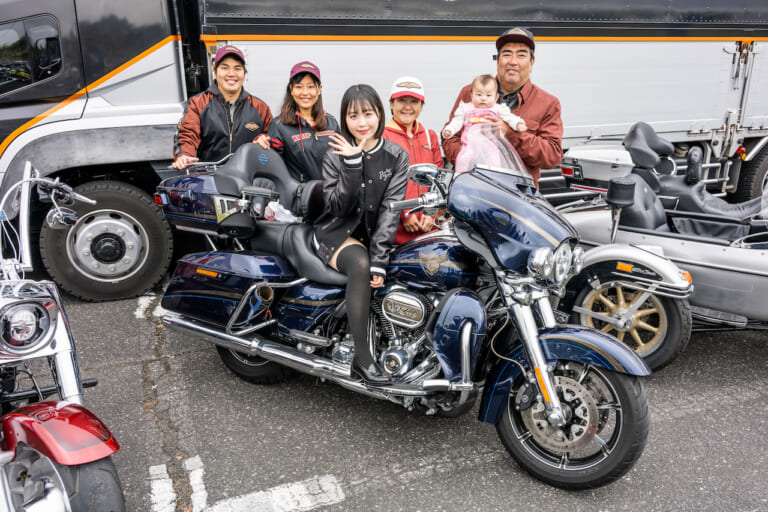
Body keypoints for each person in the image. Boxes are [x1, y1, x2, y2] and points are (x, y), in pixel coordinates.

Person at [313, 84, 408, 383]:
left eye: (368, 113)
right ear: (344, 119)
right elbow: (337, 208)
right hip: (335, 232)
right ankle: (363, 361)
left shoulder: (396, 156)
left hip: (372, 235)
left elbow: (390, 210)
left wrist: (381, 257)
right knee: (361, 263)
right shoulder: (334, 155)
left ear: (380, 113)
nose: (361, 122)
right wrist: (352, 165)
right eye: (353, 116)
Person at [441, 27, 563, 186]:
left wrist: (511, 133)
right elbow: (449, 138)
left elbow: (552, 155)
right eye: (507, 54)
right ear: (498, 60)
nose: (513, 61)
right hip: (473, 187)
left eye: (521, 55)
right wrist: (469, 155)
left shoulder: (548, 103)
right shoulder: (469, 92)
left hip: (518, 192)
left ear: (532, 62)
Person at [172, 45, 273, 170]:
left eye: (237, 68)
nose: (231, 74)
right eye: (225, 68)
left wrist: (264, 140)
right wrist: (184, 155)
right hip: (209, 176)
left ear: (244, 74)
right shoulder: (198, 103)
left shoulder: (260, 107)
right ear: (214, 72)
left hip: (248, 177)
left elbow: (274, 139)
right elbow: (187, 134)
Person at [382, 76, 442, 244]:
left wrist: (431, 213)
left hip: (429, 231)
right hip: (395, 234)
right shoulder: (382, 137)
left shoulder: (430, 137)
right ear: (391, 103)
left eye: (414, 102)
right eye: (402, 100)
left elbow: (439, 181)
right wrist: (405, 214)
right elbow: (381, 184)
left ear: (421, 105)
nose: (408, 107)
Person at [268, 61, 340, 182]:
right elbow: (272, 169)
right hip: (298, 193)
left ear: (319, 89)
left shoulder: (332, 123)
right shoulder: (278, 126)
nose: (305, 93)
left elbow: (339, 162)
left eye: (310, 86)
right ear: (291, 89)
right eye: (299, 87)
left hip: (329, 192)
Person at [442, 74, 527, 174]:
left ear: (496, 97)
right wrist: (449, 130)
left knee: (495, 162)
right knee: (462, 159)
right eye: (479, 95)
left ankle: (494, 178)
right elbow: (456, 121)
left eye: (488, 95)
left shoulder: (498, 109)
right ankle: (459, 175)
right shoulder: (466, 108)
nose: (483, 98)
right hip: (470, 145)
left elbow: (510, 117)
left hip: (490, 145)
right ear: (471, 95)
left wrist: (518, 124)